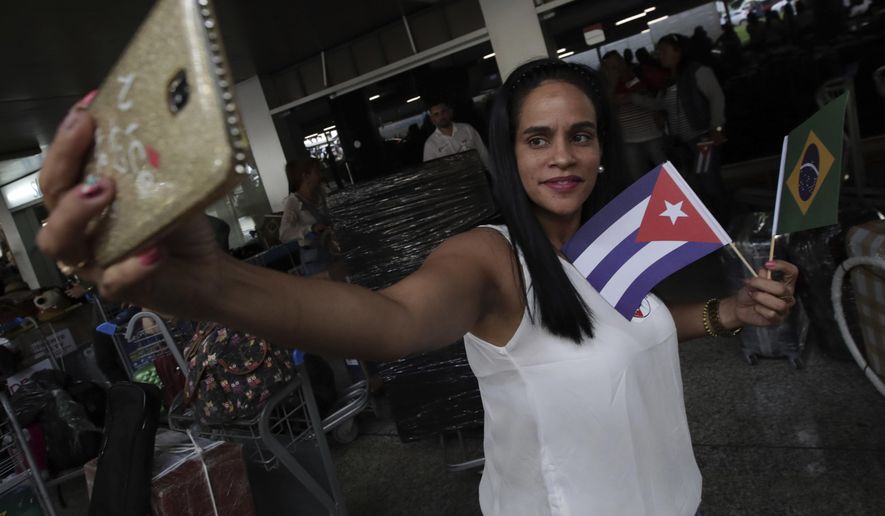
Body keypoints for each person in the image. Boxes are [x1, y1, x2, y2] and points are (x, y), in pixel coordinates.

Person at [38, 59, 798, 515]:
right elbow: (387, 321)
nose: (561, 156)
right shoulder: (488, 261)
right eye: (538, 138)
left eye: (580, 134)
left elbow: (629, 326)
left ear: (601, 147)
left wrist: (727, 311)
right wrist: (207, 285)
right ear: (506, 153)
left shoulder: (615, 240)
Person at [634, 34, 730, 222]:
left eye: (664, 51)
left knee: (708, 183)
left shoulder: (698, 72)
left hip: (703, 139)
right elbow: (661, 104)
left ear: (679, 52)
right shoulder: (670, 80)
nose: (660, 55)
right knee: (700, 184)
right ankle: (718, 221)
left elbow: (716, 97)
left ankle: (724, 221)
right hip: (686, 143)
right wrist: (633, 99)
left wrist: (717, 127)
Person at [601, 50, 668, 181]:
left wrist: (632, 98)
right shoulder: (605, 87)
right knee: (639, 180)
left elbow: (659, 102)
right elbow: (605, 112)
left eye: (618, 64)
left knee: (666, 173)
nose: (617, 70)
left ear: (623, 61)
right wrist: (612, 88)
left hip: (653, 134)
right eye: (612, 68)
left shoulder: (640, 75)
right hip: (629, 141)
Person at [278, 158, 336, 277]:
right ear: (306, 176)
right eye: (317, 171)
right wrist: (310, 228)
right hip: (315, 261)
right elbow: (284, 234)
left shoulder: (322, 194)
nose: (321, 174)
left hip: (332, 253)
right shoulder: (293, 202)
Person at [422, 100, 490, 169]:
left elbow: (483, 153)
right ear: (432, 119)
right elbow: (431, 171)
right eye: (436, 114)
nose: (441, 116)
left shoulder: (467, 129)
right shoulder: (430, 144)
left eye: (443, 111)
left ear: (450, 112)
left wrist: (493, 175)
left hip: (478, 176)